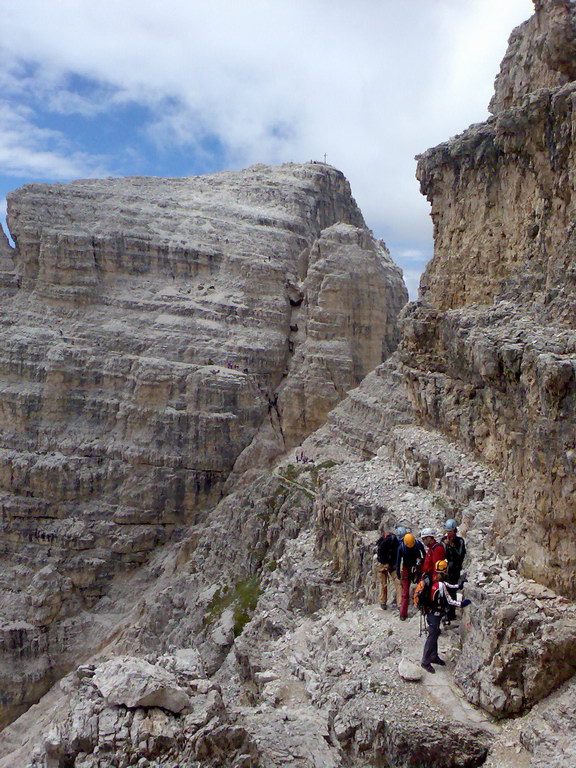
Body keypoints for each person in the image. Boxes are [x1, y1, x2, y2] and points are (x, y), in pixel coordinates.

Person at [421, 559, 471, 673]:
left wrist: (459, 586)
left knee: (435, 633)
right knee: (432, 636)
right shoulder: (440, 585)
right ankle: (425, 661)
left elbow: (448, 585)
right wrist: (461, 604)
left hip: (430, 613)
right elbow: (449, 600)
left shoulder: (433, 580)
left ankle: (433, 656)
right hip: (436, 614)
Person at [396, 532, 425, 620]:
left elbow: (424, 555)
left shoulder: (416, 544)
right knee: (405, 592)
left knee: (421, 587)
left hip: (415, 566)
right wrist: (398, 572)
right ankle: (403, 613)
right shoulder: (402, 547)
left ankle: (421, 606)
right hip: (408, 567)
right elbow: (398, 561)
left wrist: (421, 564)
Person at [442, 519, 467, 621]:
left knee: (452, 591)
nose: (449, 534)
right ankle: (445, 611)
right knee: (444, 590)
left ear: (455, 531)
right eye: (447, 532)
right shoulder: (444, 540)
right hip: (446, 569)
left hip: (455, 569)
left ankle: (451, 613)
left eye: (450, 531)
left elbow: (460, 555)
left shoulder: (460, 541)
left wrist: (451, 546)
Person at [375, 526, 404, 610]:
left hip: (392, 564)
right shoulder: (389, 541)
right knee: (383, 583)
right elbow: (380, 551)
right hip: (383, 564)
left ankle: (400, 604)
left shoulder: (397, 543)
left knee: (398, 583)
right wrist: (385, 563)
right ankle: (383, 602)